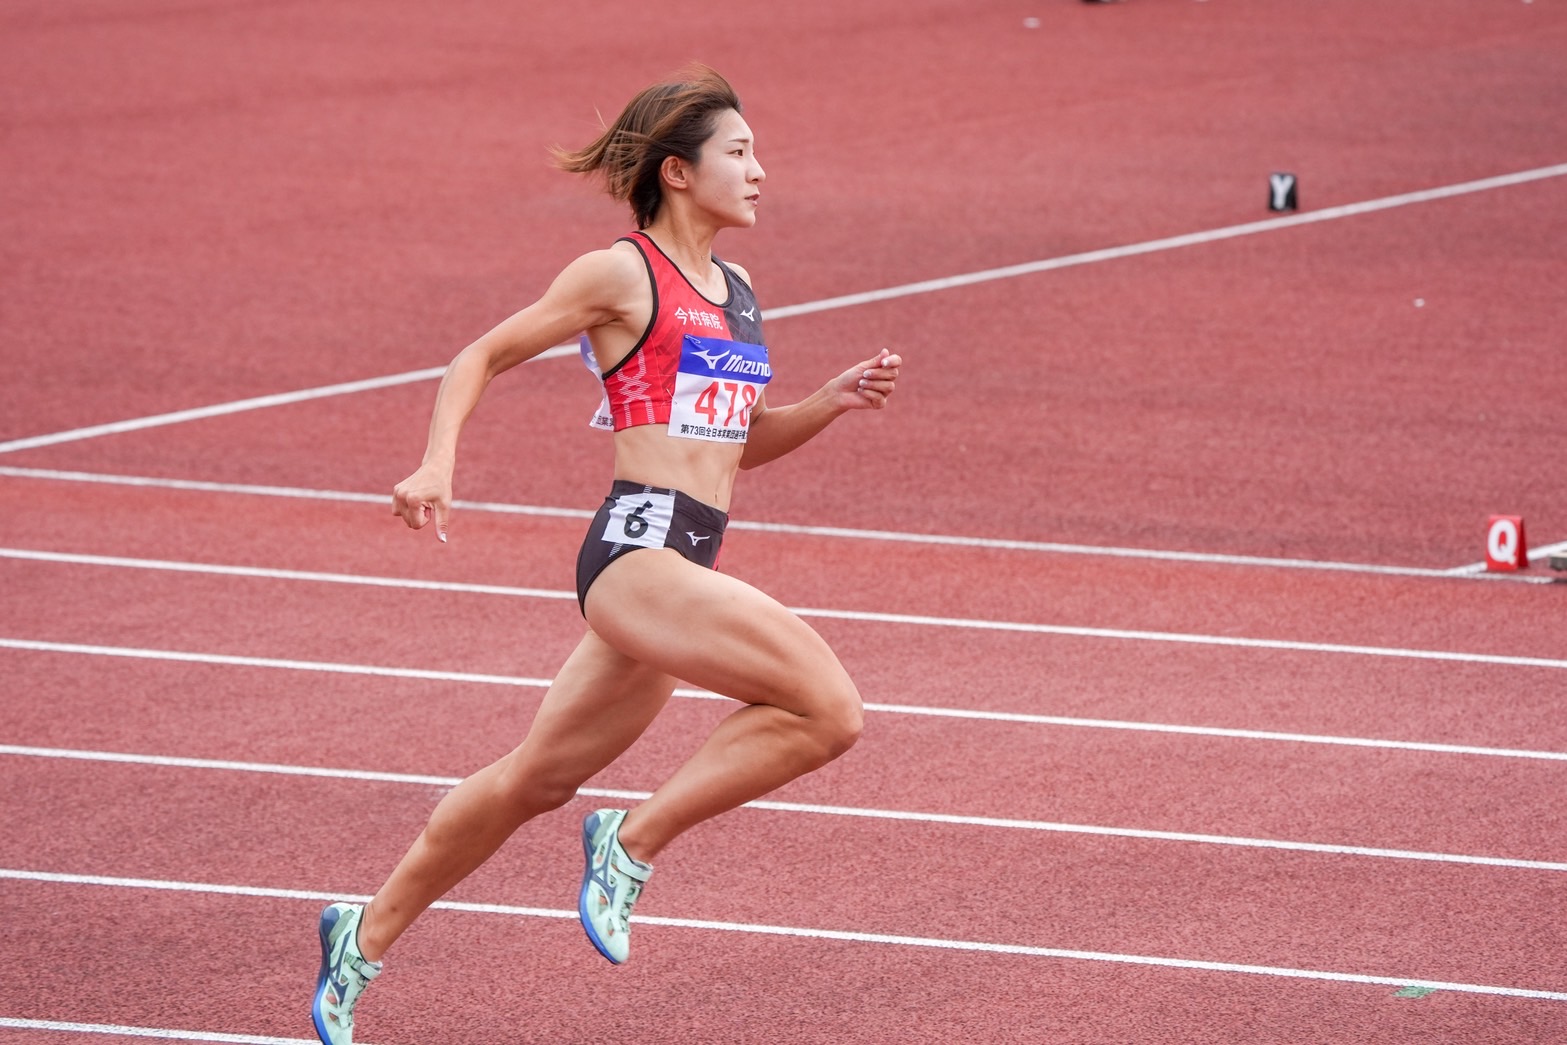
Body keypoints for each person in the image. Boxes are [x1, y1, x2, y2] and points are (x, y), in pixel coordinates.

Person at [311, 65, 903, 1044]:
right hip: (636, 555)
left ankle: (360, 936)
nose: (761, 171)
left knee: (532, 780)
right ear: (677, 171)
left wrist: (825, 404)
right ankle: (631, 842)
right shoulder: (620, 274)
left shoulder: (740, 291)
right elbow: (480, 357)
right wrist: (434, 464)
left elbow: (738, 443)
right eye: (740, 152)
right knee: (828, 707)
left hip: (683, 569)